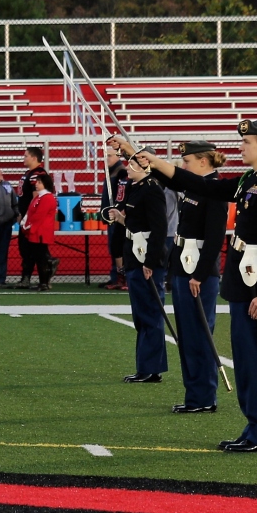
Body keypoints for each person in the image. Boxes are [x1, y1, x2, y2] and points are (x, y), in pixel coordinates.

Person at [127, 119, 257, 453]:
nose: (241, 147)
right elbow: (202, 185)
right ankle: (256, 428)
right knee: (246, 360)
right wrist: (155, 162)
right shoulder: (251, 178)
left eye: (247, 142)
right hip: (244, 281)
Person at [167, 141, 228, 413]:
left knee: (199, 336)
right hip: (183, 266)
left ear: (203, 161)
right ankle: (195, 396)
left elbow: (215, 238)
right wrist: (142, 159)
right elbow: (167, 177)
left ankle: (203, 397)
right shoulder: (195, 186)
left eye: (187, 161)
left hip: (198, 273)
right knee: (187, 336)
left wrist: (200, 275)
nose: (183, 166)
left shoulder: (214, 190)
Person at [107, 154, 169, 382]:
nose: (128, 167)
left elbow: (159, 228)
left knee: (150, 313)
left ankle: (150, 369)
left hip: (145, 258)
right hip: (134, 254)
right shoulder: (136, 187)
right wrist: (120, 218)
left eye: (133, 164)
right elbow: (135, 223)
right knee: (141, 315)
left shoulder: (152, 189)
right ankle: (146, 366)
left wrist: (150, 261)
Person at [16, 172, 58, 291]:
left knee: (41, 258)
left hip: (40, 232)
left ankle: (44, 283)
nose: (36, 184)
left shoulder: (47, 198)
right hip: (35, 231)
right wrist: (25, 224)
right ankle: (43, 282)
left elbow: (38, 216)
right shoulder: (39, 197)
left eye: (39, 182)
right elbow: (30, 213)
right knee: (38, 257)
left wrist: (26, 226)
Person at [100, 151, 131, 291]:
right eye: (106, 155)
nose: (106, 158)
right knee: (115, 247)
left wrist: (120, 211)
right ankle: (116, 276)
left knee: (118, 246)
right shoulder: (113, 171)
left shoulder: (121, 172)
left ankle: (121, 276)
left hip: (118, 215)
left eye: (110, 155)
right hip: (113, 214)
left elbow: (121, 195)